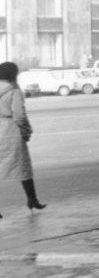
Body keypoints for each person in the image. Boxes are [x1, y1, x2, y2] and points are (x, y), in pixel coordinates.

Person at [0, 61, 46, 216]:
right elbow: (19, 115)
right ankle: (32, 199)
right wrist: (26, 131)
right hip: (9, 130)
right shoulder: (14, 91)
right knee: (22, 165)